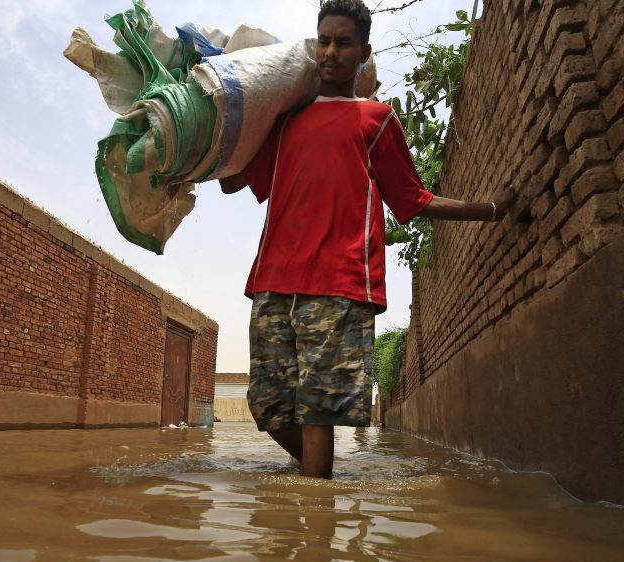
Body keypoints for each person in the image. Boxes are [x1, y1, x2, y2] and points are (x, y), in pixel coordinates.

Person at [220, 0, 514, 478]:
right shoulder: (285, 119)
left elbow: (413, 199)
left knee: (318, 411)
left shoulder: (376, 120)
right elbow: (235, 180)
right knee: (267, 407)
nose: (331, 51)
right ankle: (312, 481)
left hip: (340, 280)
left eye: (343, 42)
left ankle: (317, 519)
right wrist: (211, 131)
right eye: (324, 41)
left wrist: (490, 209)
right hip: (273, 279)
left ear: (364, 53)